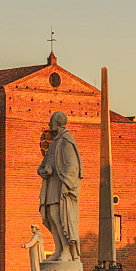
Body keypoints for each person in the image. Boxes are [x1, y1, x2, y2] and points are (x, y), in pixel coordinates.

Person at [38, 111, 83, 261]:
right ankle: (58, 249)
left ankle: (66, 251)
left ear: (58, 123)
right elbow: (44, 163)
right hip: (51, 184)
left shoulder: (67, 141)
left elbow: (73, 166)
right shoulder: (54, 143)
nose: (49, 124)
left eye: (51, 121)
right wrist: (42, 170)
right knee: (51, 216)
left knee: (60, 217)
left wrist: (67, 185)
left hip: (61, 186)